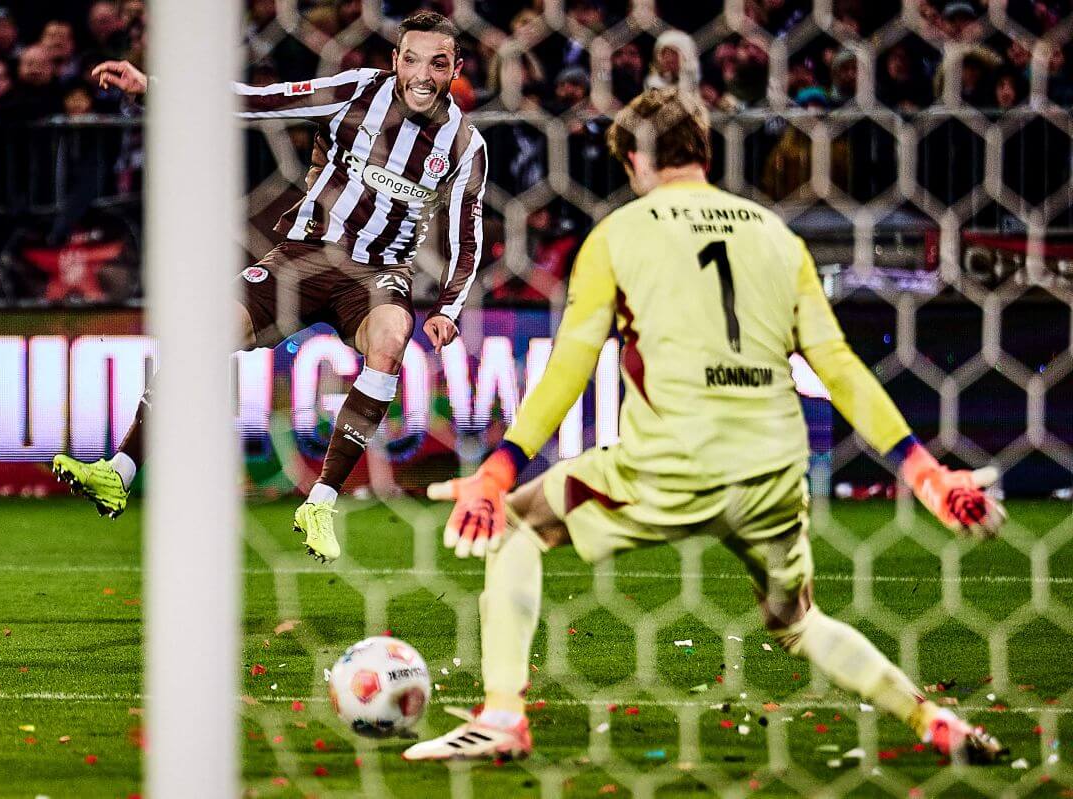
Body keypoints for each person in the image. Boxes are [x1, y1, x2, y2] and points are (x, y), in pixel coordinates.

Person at [404, 86, 1007, 763]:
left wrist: (497, 468)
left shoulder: (618, 235)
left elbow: (569, 367)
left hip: (671, 463)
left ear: (633, 159)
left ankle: (505, 716)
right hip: (776, 468)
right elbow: (837, 364)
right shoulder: (776, 235)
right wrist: (922, 469)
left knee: (515, 522)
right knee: (798, 620)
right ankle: (929, 718)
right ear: (705, 151)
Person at [52, 11, 487, 564]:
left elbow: (466, 237)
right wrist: (152, 87)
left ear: (456, 69)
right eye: (412, 59)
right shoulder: (353, 91)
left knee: (391, 336)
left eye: (438, 63)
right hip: (302, 255)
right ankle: (120, 471)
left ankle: (322, 501)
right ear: (394, 59)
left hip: (377, 274)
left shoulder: (466, 144)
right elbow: (261, 100)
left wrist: (448, 307)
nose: (422, 74)